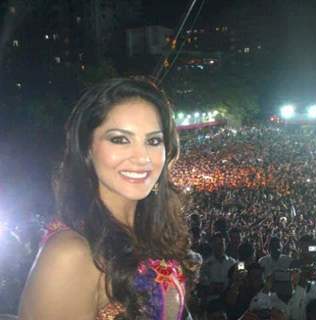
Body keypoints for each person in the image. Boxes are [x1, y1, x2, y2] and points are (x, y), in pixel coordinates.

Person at [18, 78, 196, 319]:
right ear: (87, 147)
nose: (142, 158)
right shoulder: (70, 255)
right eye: (120, 139)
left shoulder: (154, 231)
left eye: (153, 141)